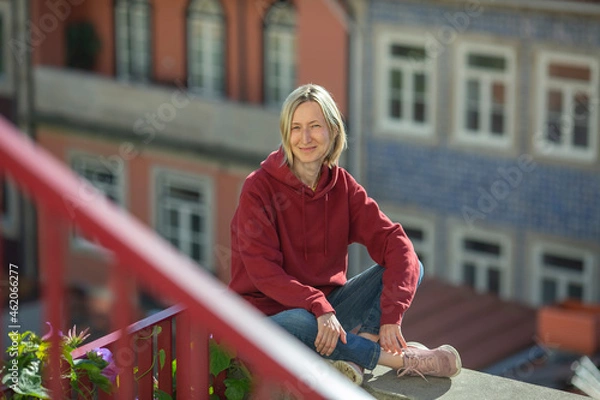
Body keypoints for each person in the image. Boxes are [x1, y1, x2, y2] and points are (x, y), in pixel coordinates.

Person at [228, 84, 461, 385]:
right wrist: (317, 305)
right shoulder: (258, 189)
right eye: (296, 128)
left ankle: (356, 352)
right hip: (268, 320)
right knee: (301, 319)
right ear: (286, 134)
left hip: (329, 317)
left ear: (334, 131)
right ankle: (401, 358)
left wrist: (391, 315)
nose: (306, 138)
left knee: (411, 264)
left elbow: (395, 242)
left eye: (315, 126)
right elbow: (264, 272)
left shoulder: (342, 187)